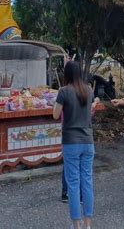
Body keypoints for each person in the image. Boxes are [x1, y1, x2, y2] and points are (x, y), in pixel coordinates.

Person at [53, 61, 99, 229]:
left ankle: (76, 225)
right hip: (88, 141)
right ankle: (88, 224)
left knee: (73, 184)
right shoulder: (88, 89)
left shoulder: (63, 91)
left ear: (66, 74)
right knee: (87, 181)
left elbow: (55, 115)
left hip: (71, 142)